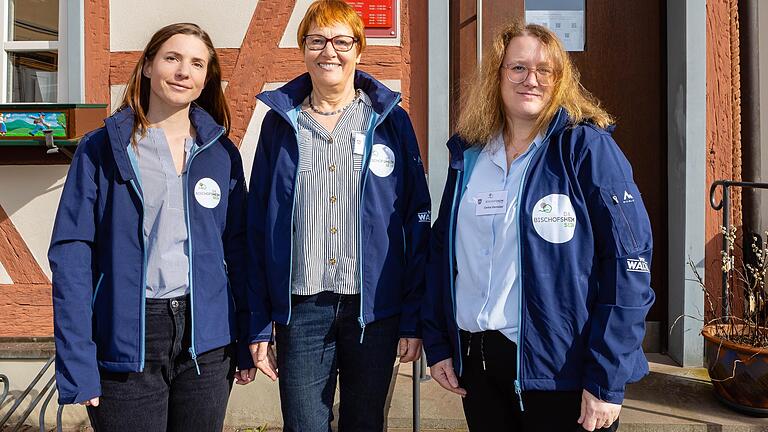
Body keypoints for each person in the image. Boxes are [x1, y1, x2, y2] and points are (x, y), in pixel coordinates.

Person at [422, 20, 655, 432]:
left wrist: (606, 379)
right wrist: (440, 343)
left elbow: (628, 264)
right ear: (497, 76)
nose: (531, 79)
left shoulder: (586, 149)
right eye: (518, 68)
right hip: (479, 369)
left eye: (544, 71)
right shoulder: (473, 154)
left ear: (560, 80)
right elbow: (442, 252)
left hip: (561, 372)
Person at [49, 22, 255, 431]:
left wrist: (247, 340)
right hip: (129, 336)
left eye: (197, 64)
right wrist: (77, 361)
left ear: (206, 79)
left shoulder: (221, 154)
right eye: (172, 58)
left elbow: (240, 252)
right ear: (147, 66)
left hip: (208, 340)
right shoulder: (102, 150)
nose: (184, 71)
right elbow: (71, 256)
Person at [245, 1, 430, 431]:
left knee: (365, 423)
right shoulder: (280, 125)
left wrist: (412, 314)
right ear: (303, 49)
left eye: (342, 41)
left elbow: (415, 220)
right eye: (317, 41)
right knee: (305, 425)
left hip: (374, 311)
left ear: (358, 49)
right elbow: (258, 226)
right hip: (301, 309)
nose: (330, 51)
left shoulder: (391, 123)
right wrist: (258, 323)